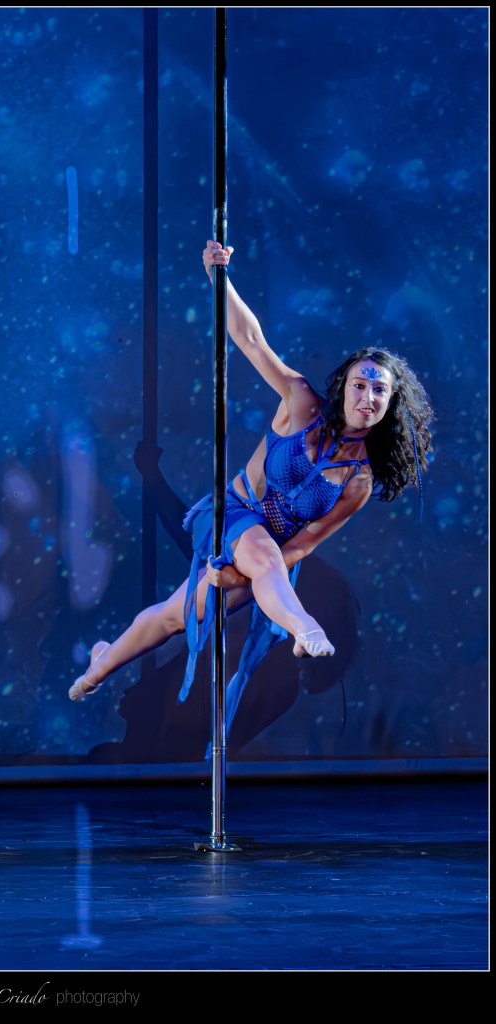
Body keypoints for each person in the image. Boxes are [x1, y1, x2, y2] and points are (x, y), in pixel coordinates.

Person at [69, 241, 433, 727]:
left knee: (179, 616)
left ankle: (101, 661)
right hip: (232, 515)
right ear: (344, 387)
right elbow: (252, 340)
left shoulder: (359, 480)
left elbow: (303, 544)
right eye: (360, 385)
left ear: (390, 403)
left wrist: (242, 578)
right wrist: (219, 277)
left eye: (380, 390)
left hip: (267, 560)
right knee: (257, 559)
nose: (368, 397)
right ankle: (303, 626)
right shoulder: (301, 404)